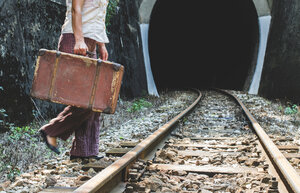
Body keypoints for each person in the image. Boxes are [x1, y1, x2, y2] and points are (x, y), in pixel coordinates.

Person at [39, 0, 109, 160]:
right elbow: (76, 9)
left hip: (89, 42)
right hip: (76, 41)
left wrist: (101, 44)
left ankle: (84, 152)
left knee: (93, 101)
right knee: (90, 100)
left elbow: (96, 17)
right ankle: (50, 130)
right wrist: (79, 40)